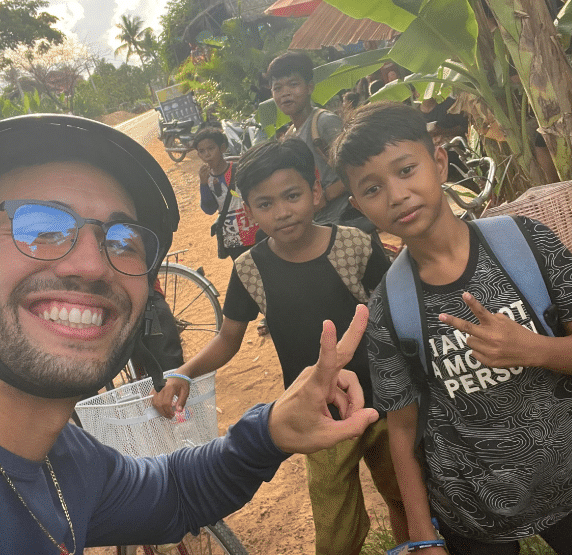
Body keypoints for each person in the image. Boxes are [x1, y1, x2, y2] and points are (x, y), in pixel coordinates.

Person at [0, 114, 379, 552]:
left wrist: (269, 429)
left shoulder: (68, 461)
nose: (92, 265)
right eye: (40, 229)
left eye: (123, 241)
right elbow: (228, 338)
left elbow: (174, 491)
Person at [337, 101, 571, 555]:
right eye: (372, 188)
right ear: (357, 206)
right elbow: (402, 431)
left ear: (439, 161)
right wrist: (424, 537)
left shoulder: (528, 244)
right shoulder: (389, 308)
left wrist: (535, 349)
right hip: (472, 510)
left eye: (407, 169)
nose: (397, 195)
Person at [151, 139, 407, 555]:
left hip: (384, 400)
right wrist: (183, 372)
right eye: (266, 204)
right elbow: (228, 338)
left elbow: (396, 311)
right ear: (249, 213)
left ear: (316, 191)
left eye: (292, 195)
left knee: (401, 495)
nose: (283, 211)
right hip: (316, 412)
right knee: (334, 523)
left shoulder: (355, 246)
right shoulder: (250, 269)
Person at [268, 52, 369, 232]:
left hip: (347, 220)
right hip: (319, 225)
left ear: (309, 87)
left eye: (293, 84)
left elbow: (358, 169)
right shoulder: (290, 135)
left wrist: (326, 196)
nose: (285, 93)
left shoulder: (324, 123)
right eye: (278, 88)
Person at [192, 129, 259, 261]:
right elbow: (209, 209)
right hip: (233, 237)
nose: (207, 155)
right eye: (202, 151)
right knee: (246, 273)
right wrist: (203, 184)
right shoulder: (207, 179)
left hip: (255, 230)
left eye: (211, 148)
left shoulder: (240, 169)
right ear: (198, 154)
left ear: (222, 148)